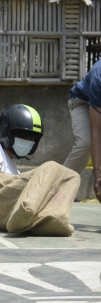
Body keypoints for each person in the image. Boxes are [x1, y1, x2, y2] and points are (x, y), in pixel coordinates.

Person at [0, 104, 80, 236]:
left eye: (32, 138)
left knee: (72, 176)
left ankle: (50, 219)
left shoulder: (14, 168)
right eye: (23, 135)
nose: (28, 141)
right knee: (51, 167)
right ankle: (26, 212)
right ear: (8, 131)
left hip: (9, 213)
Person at [62, 60, 101, 202]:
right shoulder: (99, 77)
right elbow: (95, 131)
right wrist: (97, 173)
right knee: (86, 143)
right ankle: (57, 189)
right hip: (82, 102)